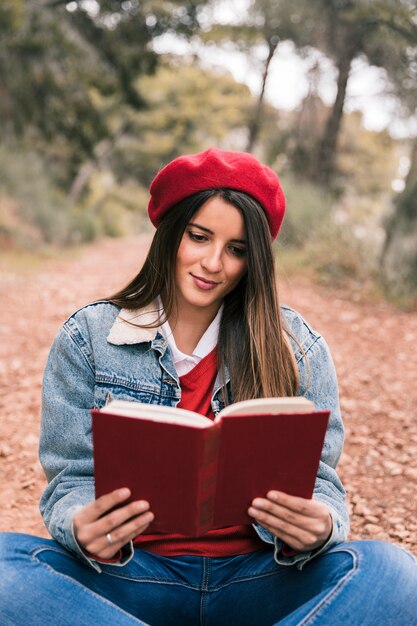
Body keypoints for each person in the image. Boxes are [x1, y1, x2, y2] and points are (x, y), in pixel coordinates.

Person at [0, 148, 416, 626]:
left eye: (237, 249)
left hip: (258, 578)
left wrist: (320, 525)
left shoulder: (297, 349)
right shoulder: (88, 338)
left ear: (252, 259)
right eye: (199, 237)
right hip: (133, 577)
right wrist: (79, 525)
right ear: (171, 232)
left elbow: (321, 482)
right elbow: (71, 479)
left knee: (395, 574)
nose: (213, 263)